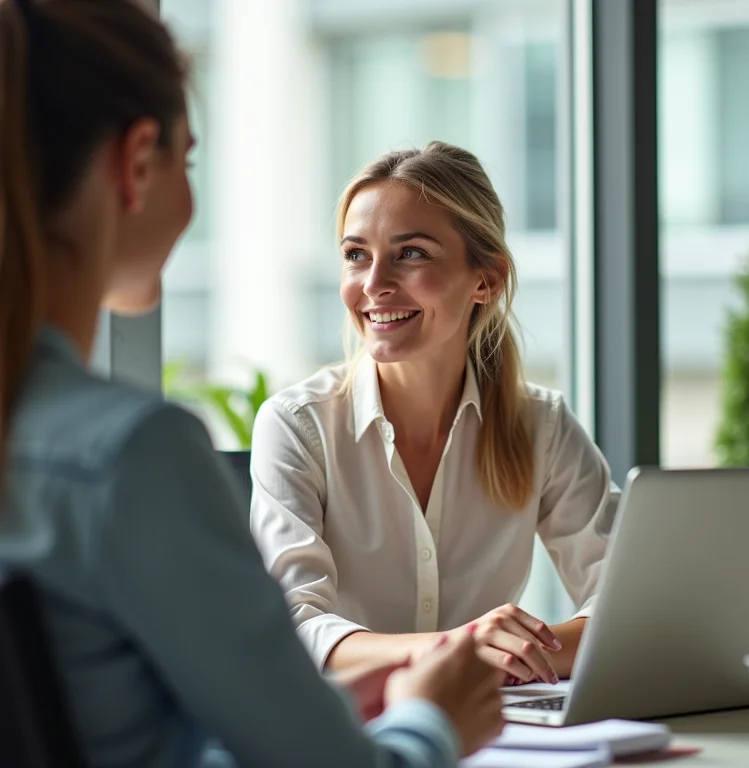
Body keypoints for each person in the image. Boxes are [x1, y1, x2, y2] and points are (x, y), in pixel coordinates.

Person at [0, 2, 505, 766]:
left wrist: (323, 711)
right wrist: (433, 723)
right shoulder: (129, 456)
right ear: (138, 163)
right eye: (189, 162)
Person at [250, 141, 619, 685]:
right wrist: (466, 649)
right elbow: (296, 626)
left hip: (498, 734)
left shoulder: (540, 425)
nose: (374, 284)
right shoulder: (298, 425)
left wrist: (502, 654)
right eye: (356, 255)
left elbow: (625, 603)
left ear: (485, 280)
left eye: (412, 253)